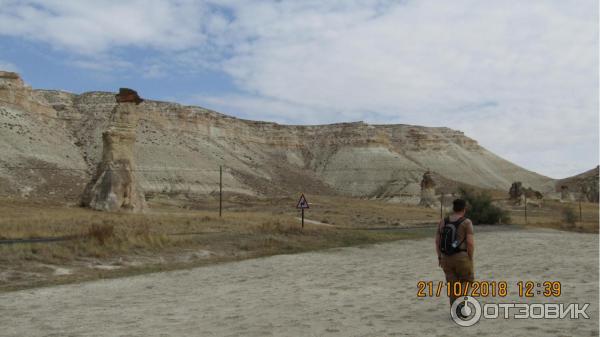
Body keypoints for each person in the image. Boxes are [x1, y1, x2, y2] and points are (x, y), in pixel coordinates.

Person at [435, 198, 475, 311]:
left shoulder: (443, 221)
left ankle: (454, 310)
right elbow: (470, 243)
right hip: (461, 257)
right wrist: (470, 258)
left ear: (453, 208)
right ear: (464, 209)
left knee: (452, 286)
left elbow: (437, 242)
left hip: (445, 258)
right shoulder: (467, 222)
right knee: (467, 280)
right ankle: (462, 305)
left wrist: (439, 257)